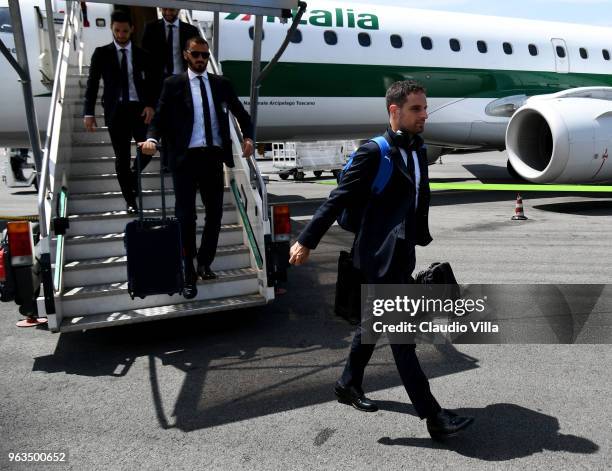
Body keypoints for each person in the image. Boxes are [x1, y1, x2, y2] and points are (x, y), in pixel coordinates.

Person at [288, 81, 474, 440]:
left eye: (425, 108)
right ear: (394, 111)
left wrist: (418, 236)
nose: (424, 115)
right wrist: (306, 240)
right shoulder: (374, 153)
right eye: (416, 109)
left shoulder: (418, 149)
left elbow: (418, 195)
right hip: (377, 257)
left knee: (373, 324)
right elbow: (337, 199)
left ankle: (347, 384)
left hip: (402, 253)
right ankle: (433, 416)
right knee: (403, 337)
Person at [141, 37, 254, 300]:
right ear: (186, 55)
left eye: (204, 55)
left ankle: (205, 262)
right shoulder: (173, 84)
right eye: (196, 54)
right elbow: (159, 116)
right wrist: (152, 138)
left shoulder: (220, 84)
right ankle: (188, 272)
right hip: (185, 160)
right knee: (185, 217)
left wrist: (248, 137)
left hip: (213, 158)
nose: (201, 59)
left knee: (215, 214)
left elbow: (242, 115)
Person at [83, 10, 158, 213]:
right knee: (121, 157)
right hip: (116, 111)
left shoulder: (143, 55)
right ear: (112, 29)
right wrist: (88, 113)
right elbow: (92, 84)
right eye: (117, 30)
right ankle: (130, 200)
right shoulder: (102, 53)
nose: (121, 34)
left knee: (150, 148)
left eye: (125, 31)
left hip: (139, 109)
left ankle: (132, 177)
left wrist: (151, 105)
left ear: (132, 29)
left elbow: (152, 84)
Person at [141, 7, 200, 78]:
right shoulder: (151, 28)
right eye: (164, 9)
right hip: (158, 77)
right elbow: (145, 52)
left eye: (171, 10)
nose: (168, 13)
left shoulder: (191, 30)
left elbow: (197, 52)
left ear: (178, 9)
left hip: (183, 76)